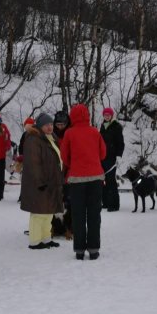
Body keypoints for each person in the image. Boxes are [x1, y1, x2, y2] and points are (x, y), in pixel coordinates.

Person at [60, 104, 106, 260]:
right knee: (94, 214)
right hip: (96, 178)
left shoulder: (69, 133)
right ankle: (93, 249)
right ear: (87, 116)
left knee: (78, 214)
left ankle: (79, 250)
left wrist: (74, 164)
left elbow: (64, 156)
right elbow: (103, 153)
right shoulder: (95, 132)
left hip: (77, 179)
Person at [20, 113, 64, 249]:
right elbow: (34, 164)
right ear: (40, 126)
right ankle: (35, 241)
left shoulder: (50, 138)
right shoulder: (34, 139)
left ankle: (45, 239)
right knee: (38, 214)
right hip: (39, 183)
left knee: (48, 213)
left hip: (51, 181)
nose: (50, 127)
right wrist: (40, 182)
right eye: (46, 125)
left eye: (51, 124)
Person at [99, 107, 124, 212]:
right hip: (102, 157)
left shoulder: (116, 126)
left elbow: (120, 142)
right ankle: (105, 202)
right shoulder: (102, 126)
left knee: (111, 180)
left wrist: (119, 155)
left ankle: (114, 204)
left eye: (109, 115)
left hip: (112, 157)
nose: (107, 116)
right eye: (105, 115)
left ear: (112, 115)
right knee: (102, 180)